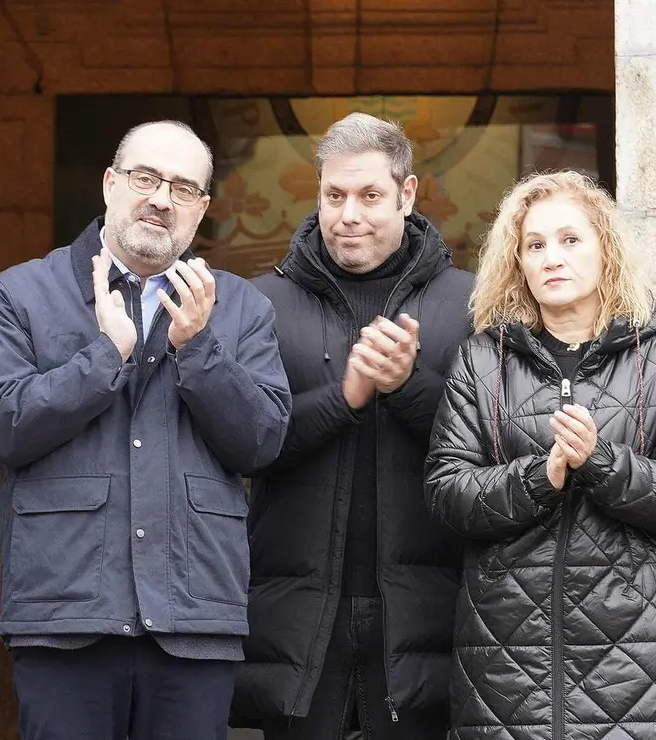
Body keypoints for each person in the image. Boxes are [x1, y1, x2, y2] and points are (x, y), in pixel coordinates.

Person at [0, 119, 291, 740]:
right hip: (65, 611)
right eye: (146, 178)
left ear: (201, 210)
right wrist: (104, 358)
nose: (161, 198)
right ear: (111, 184)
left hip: (193, 616)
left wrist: (198, 348)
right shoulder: (24, 292)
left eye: (182, 188)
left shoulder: (241, 307)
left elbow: (262, 441)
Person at [425, 170, 656, 738]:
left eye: (571, 240)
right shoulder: (482, 362)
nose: (552, 257)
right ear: (517, 262)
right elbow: (446, 493)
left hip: (638, 674)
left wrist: (599, 461)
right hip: (504, 672)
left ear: (606, 248)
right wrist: (538, 476)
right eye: (535, 244)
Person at [230, 112, 473, 739]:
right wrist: (346, 398)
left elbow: (492, 451)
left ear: (408, 194)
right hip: (296, 622)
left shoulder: (470, 304)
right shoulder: (260, 304)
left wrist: (408, 387)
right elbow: (242, 447)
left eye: (370, 196)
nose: (348, 215)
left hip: (427, 619)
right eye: (334, 195)